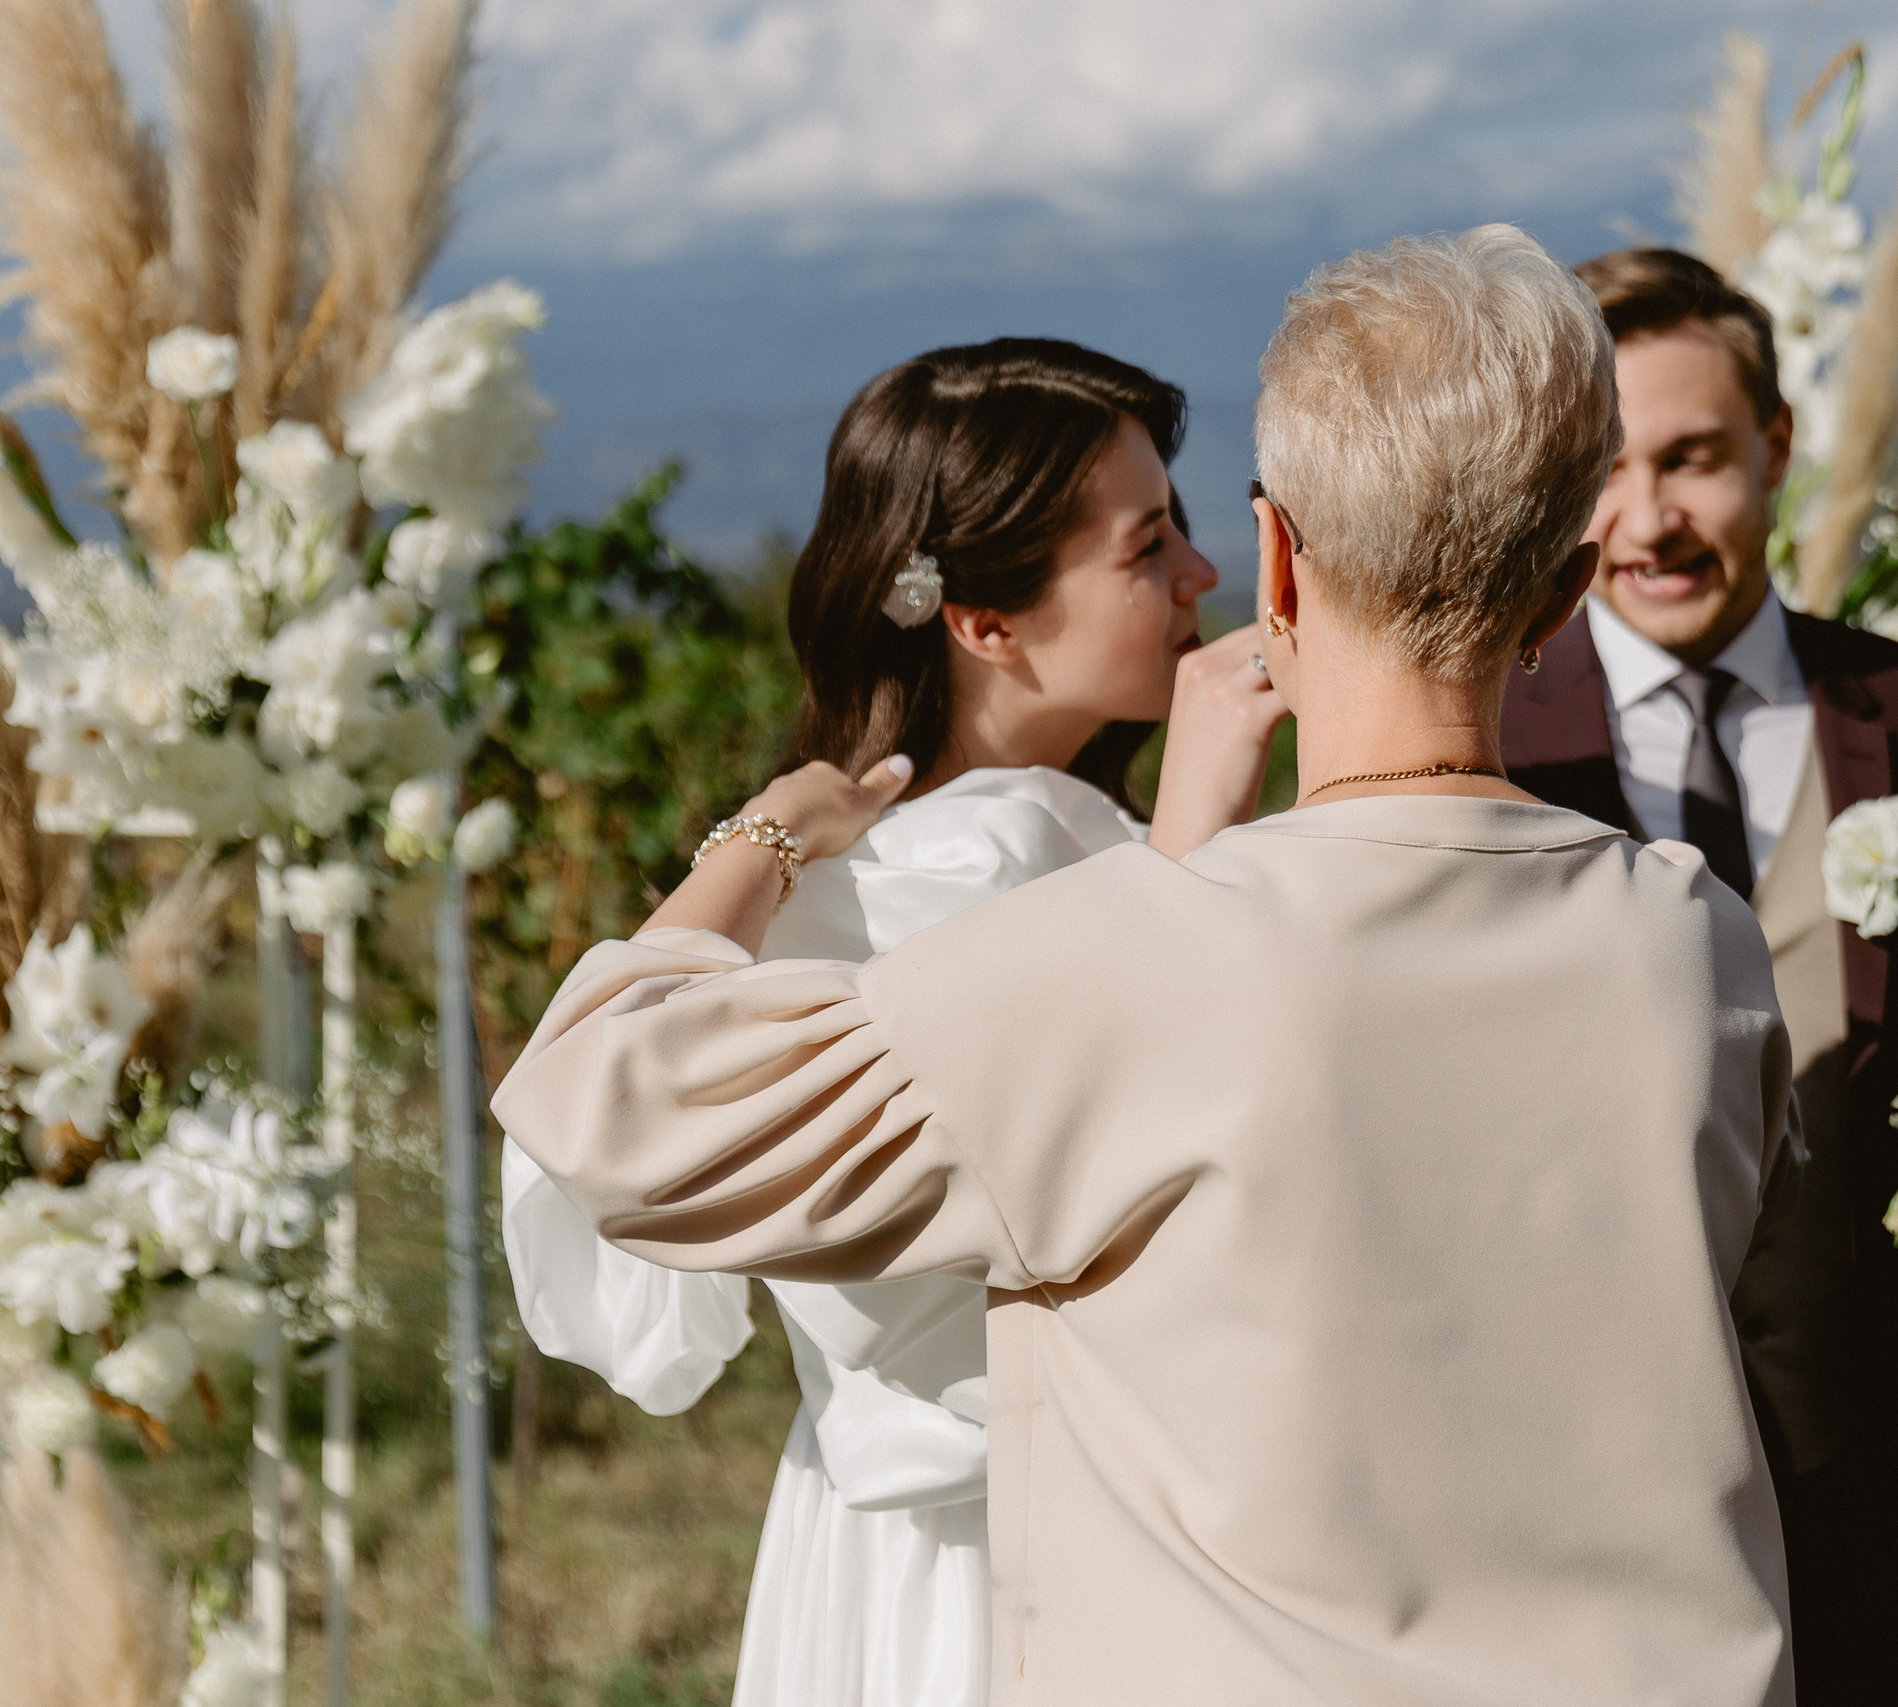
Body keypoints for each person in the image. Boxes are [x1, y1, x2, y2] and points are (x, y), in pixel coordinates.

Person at [498, 225, 1800, 1705]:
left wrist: (759, 839)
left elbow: (607, 1111)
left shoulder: (1116, 954)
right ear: (1569, 592)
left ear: (1281, 561)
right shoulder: (1702, 946)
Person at [499, 337, 1277, 1707]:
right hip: (985, 1583)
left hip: (1032, 1547)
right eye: (1146, 546)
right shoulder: (924, 891)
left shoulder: (1075, 841)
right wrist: (772, 836)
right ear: (984, 621)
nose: (1199, 580)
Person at [1502, 246, 1898, 1703]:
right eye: (1606, 473)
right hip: (1583, 1482)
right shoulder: (1491, 739)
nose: (1651, 521)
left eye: (1695, 461)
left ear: (1778, 448)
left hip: (1883, 1470)